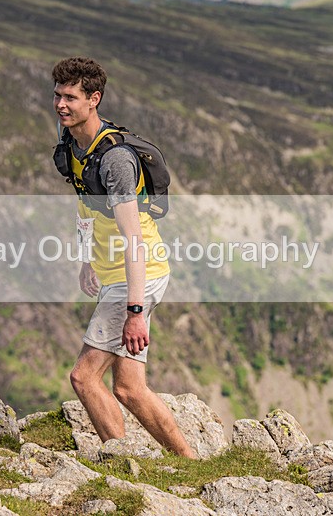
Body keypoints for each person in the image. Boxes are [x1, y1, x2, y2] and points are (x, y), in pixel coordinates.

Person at [52, 56, 196, 459]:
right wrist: (85, 259)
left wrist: (135, 309)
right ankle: (188, 461)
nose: (61, 105)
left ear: (94, 99)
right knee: (130, 388)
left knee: (83, 377)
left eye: (71, 97)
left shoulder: (114, 160)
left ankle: (123, 465)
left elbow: (134, 238)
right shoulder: (72, 141)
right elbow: (84, 207)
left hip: (137, 273)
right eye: (58, 95)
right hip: (118, 271)